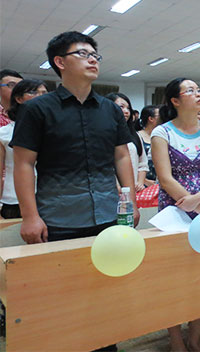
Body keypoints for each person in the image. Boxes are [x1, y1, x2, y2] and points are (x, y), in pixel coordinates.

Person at [11, 31, 139, 246]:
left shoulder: (110, 109)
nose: (92, 60)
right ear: (60, 62)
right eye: (82, 54)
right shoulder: (36, 109)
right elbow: (24, 164)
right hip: (59, 218)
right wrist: (30, 216)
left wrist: (130, 204)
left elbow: (121, 157)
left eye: (95, 55)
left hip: (110, 214)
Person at [151, 77, 200, 352]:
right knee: (174, 278)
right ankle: (176, 341)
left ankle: (194, 339)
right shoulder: (162, 133)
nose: (198, 94)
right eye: (190, 91)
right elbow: (165, 178)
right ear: (175, 101)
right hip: (174, 209)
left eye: (199, 90)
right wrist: (194, 205)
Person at [0, 79, 48, 219]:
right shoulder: (4, 133)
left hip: (50, 198)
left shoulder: (54, 130)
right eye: (33, 92)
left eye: (44, 93)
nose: (40, 97)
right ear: (19, 99)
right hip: (14, 200)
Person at [106, 93, 148, 192]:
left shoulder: (134, 135)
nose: (126, 111)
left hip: (134, 188)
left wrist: (140, 182)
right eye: (121, 107)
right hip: (111, 189)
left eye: (128, 108)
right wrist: (116, 186)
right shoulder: (103, 134)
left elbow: (142, 163)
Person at [137, 105, 160, 186]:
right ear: (151, 119)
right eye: (159, 115)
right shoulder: (137, 136)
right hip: (141, 183)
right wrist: (144, 181)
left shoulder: (161, 136)